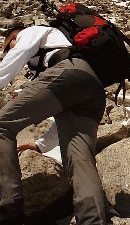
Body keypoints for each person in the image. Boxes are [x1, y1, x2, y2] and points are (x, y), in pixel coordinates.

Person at [0, 24, 107, 225]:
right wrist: (41, 145)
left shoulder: (31, 31)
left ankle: (9, 206)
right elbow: (61, 120)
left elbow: (21, 50)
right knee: (80, 160)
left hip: (69, 73)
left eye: (8, 47)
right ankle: (93, 220)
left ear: (14, 35)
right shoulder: (54, 55)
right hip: (92, 86)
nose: (9, 52)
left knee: (2, 125)